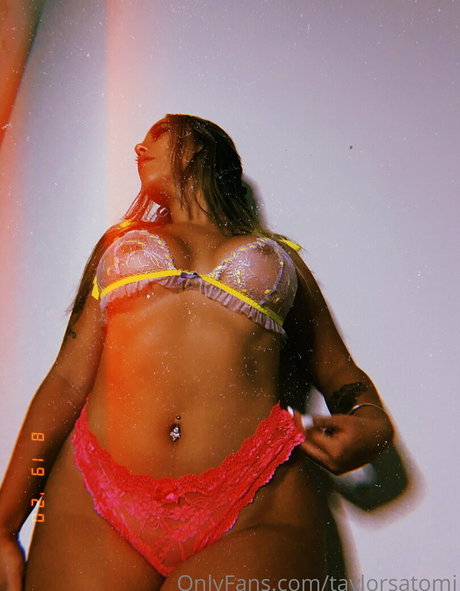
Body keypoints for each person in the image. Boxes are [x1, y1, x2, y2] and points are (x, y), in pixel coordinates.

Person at [0, 114, 393, 591]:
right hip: (97, 494)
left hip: (255, 496)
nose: (138, 147)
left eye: (156, 135)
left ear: (202, 148)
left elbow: (341, 373)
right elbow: (66, 379)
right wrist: (4, 524)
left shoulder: (280, 259)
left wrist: (374, 425)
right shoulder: (119, 244)